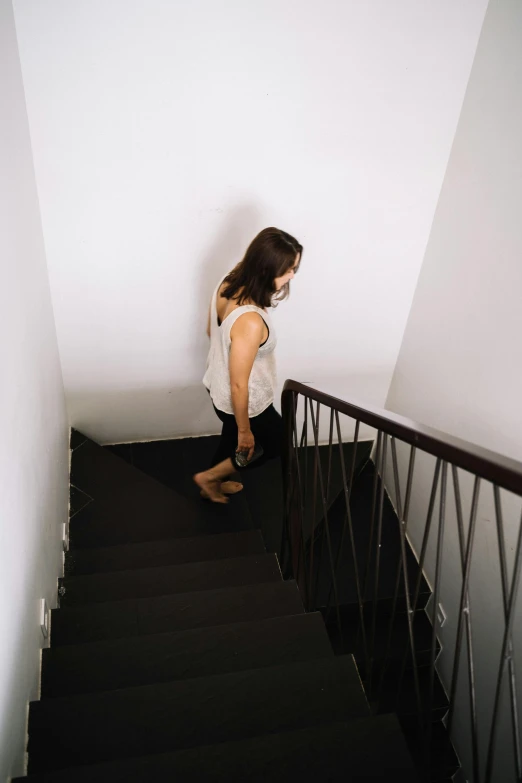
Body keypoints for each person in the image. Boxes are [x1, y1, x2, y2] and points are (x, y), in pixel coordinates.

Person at [194, 227, 302, 503]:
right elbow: (239, 384)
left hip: (216, 385)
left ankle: (216, 480)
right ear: (267, 270)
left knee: (230, 437)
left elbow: (211, 331)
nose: (293, 275)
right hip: (245, 401)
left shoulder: (229, 280)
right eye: (289, 270)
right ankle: (210, 477)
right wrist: (246, 429)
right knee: (273, 444)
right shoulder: (250, 321)